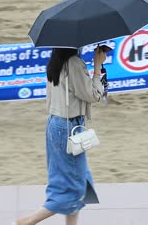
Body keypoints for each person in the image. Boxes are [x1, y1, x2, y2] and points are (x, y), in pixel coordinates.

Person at [16, 47, 107, 225]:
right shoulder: (74, 63)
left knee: (80, 182)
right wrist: (97, 67)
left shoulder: (56, 60)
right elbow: (94, 94)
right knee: (74, 189)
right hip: (68, 127)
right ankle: (26, 222)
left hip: (56, 124)